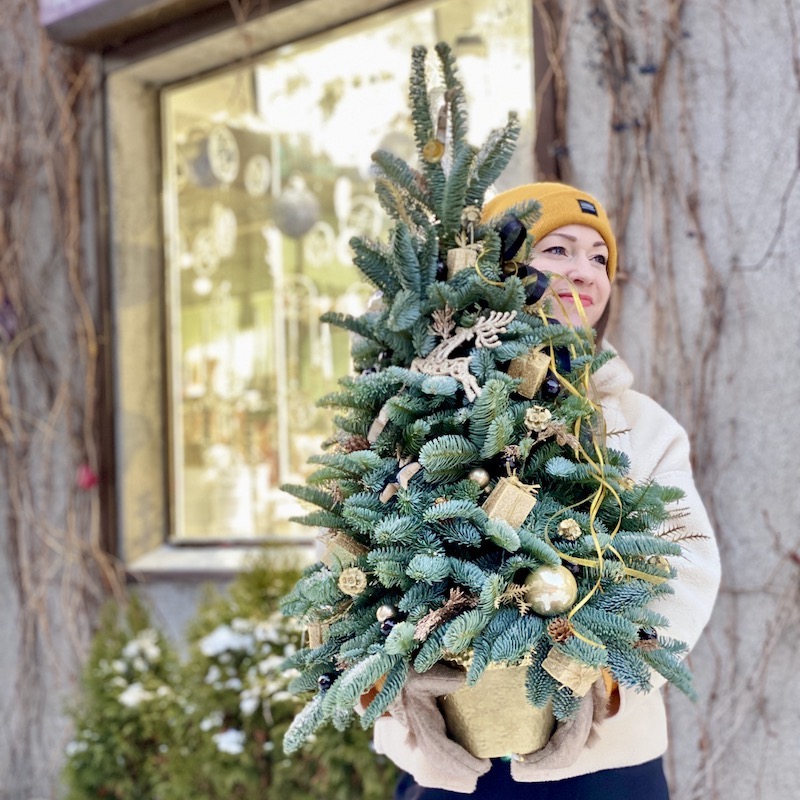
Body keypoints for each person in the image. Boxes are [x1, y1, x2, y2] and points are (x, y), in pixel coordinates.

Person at [371, 182, 722, 799]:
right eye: (558, 249)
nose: (583, 272)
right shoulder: (419, 406)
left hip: (601, 764)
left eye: (598, 258)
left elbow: (688, 559)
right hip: (450, 763)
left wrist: (607, 674)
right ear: (499, 266)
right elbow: (354, 547)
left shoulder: (639, 423)